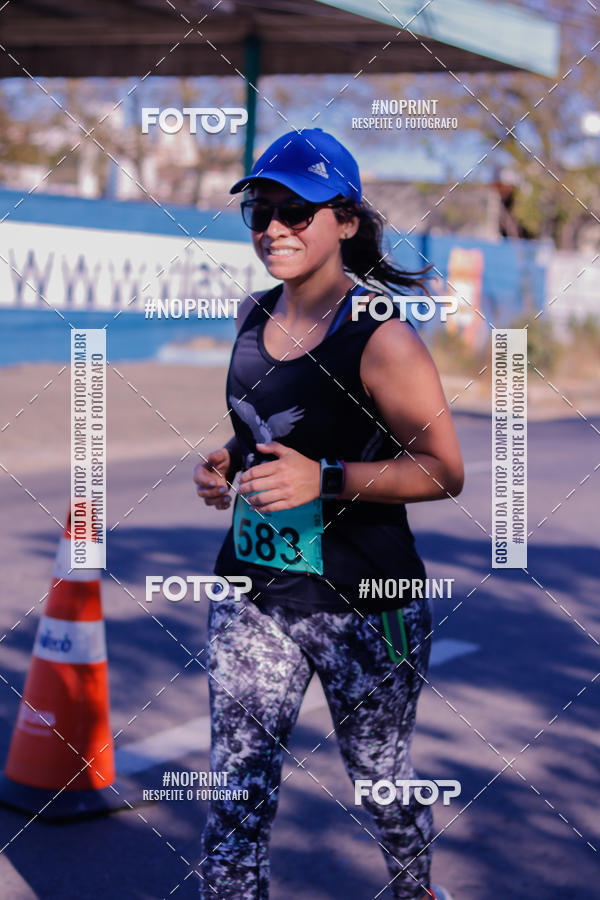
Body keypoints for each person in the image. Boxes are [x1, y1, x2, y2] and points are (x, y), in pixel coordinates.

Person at [193, 128, 463, 900]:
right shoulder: (252, 314)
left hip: (364, 600)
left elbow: (445, 471)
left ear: (344, 220)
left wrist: (328, 479)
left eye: (296, 211)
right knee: (237, 798)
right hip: (253, 589)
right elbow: (274, 427)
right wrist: (232, 463)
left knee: (380, 780)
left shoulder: (381, 335)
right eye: (261, 211)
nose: (274, 227)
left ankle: (416, 891)